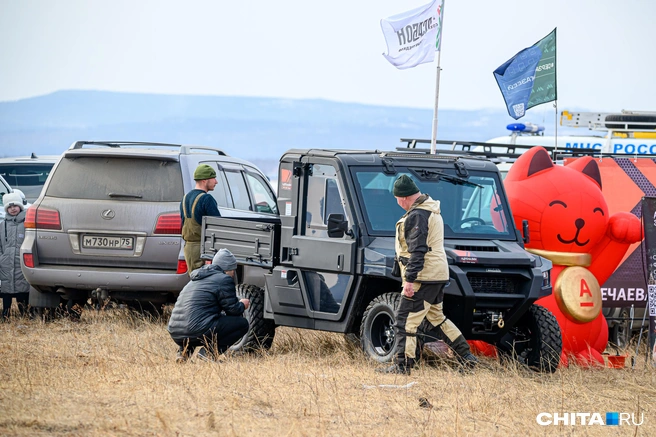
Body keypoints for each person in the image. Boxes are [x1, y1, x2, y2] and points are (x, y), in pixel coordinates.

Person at [377, 175, 478, 374]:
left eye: (397, 199)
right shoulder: (431, 210)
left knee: (404, 321)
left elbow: (418, 250)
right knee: (436, 318)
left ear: (404, 197)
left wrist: (410, 280)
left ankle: (402, 365)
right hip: (437, 274)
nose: (398, 204)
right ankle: (466, 357)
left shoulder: (418, 215)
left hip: (423, 276)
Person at [168, 248, 250, 362]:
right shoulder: (224, 279)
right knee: (242, 324)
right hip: (196, 330)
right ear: (228, 268)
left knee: (197, 319)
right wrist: (242, 304)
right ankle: (209, 353)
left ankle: (183, 353)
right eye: (233, 270)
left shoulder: (195, 279)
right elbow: (233, 310)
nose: (233, 273)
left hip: (175, 331)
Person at [181, 164, 221, 275]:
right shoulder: (207, 199)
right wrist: (209, 253)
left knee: (195, 282)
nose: (216, 182)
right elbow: (217, 227)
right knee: (206, 285)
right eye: (213, 178)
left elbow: (182, 223)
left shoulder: (185, 198)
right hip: (202, 249)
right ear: (204, 181)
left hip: (189, 249)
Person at [0, 192, 30, 320]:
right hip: (6, 263)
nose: (13, 209)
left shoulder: (26, 223)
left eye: (15, 206)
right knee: (6, 289)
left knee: (22, 289)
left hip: (21, 262)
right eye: (10, 206)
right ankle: (5, 313)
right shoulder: (3, 225)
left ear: (20, 207)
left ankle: (24, 313)